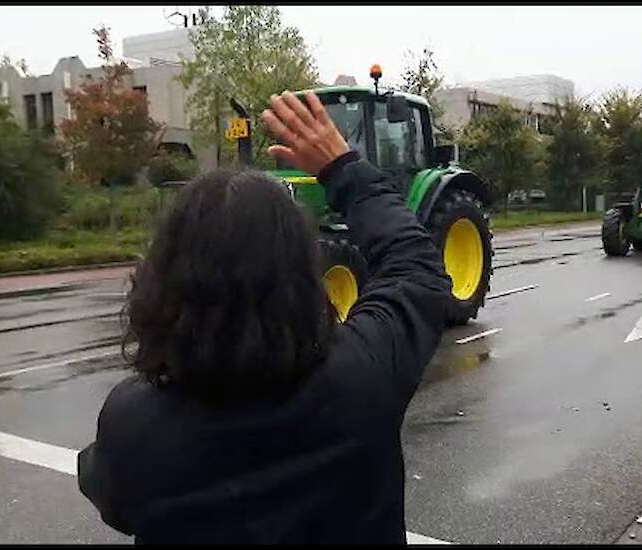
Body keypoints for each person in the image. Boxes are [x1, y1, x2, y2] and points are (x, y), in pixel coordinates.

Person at [77, 90, 453, 544]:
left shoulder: (131, 425)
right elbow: (415, 267)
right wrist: (344, 169)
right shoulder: (363, 376)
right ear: (302, 274)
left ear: (164, 281)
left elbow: (111, 496)